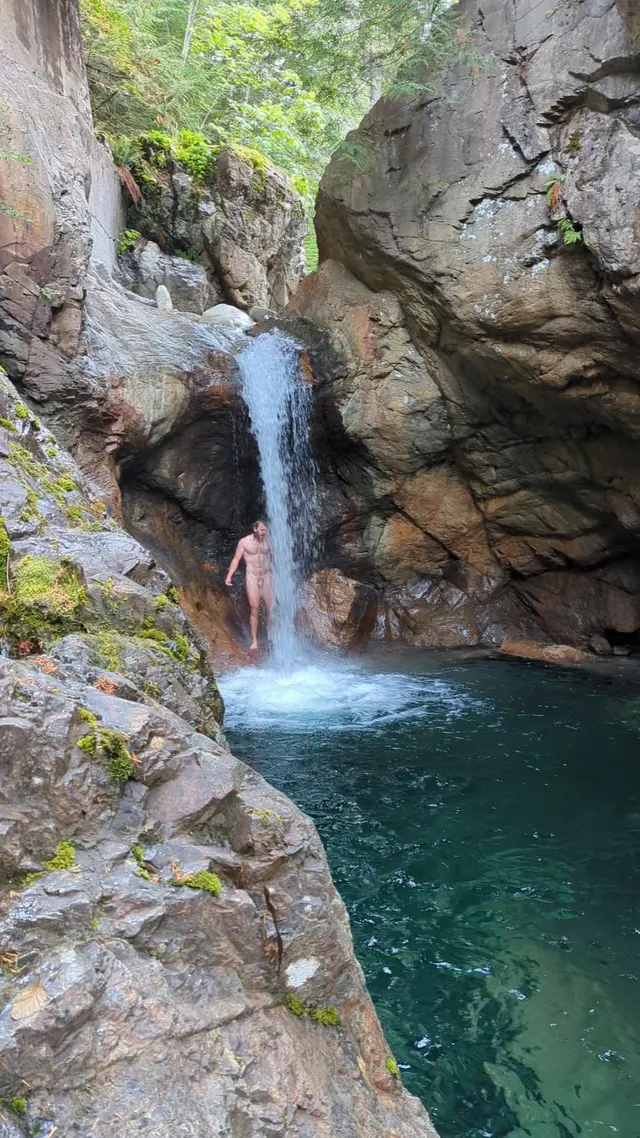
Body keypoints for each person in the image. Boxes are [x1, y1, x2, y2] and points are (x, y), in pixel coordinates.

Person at [225, 520, 273, 652]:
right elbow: (236, 559)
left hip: (266, 576)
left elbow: (276, 557)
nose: (264, 532)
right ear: (255, 529)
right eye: (262, 530)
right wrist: (229, 575)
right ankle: (254, 640)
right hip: (252, 576)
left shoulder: (269, 541)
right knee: (254, 608)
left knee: (271, 607)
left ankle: (270, 633)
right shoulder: (244, 542)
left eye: (265, 530)